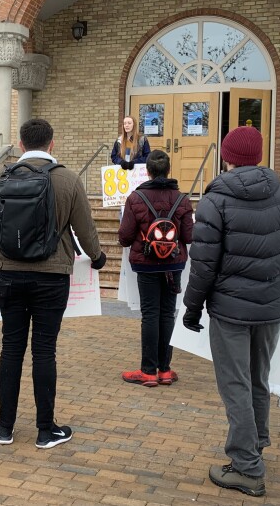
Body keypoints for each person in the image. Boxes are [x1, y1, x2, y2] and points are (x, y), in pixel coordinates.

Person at [183, 125, 280, 497]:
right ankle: (255, 444)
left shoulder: (216, 199)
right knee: (258, 379)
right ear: (259, 156)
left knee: (236, 384)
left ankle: (246, 466)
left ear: (228, 156)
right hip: (272, 306)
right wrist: (278, 270)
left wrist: (192, 308)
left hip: (230, 309)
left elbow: (203, 264)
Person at [0, 118, 107, 449]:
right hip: (52, 276)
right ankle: (46, 430)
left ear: (20, 145)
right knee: (45, 351)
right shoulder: (68, 180)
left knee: (11, 348)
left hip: (10, 275)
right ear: (52, 143)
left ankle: (5, 427)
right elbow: (85, 228)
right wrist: (97, 256)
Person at [118, 149, 193, 387]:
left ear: (147, 171)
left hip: (146, 264)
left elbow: (124, 237)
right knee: (167, 313)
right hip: (174, 263)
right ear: (169, 170)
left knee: (150, 314)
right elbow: (189, 236)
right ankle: (165, 370)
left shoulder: (135, 198)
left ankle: (148, 371)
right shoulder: (182, 199)